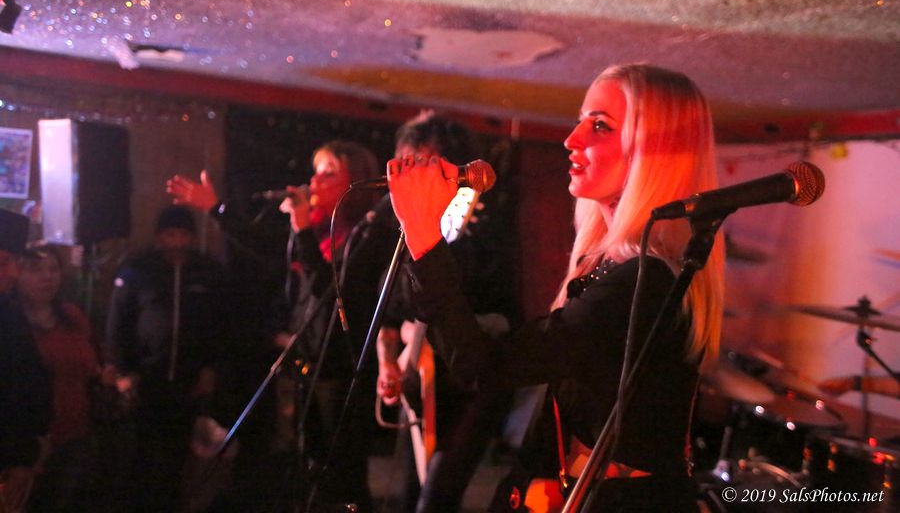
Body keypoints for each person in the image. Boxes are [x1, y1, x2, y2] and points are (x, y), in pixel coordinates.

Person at [386, 64, 725, 512]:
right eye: (581, 120)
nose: (571, 139)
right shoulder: (606, 265)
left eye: (600, 126)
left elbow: (486, 367)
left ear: (654, 151)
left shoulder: (644, 283)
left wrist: (424, 237)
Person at [169, 140, 388, 512]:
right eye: (315, 171)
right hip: (307, 362)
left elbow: (329, 291)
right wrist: (216, 209)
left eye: (329, 173)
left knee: (342, 472)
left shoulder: (363, 237)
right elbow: (263, 245)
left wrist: (301, 230)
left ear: (356, 182)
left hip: (341, 368)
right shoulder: (315, 229)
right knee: (306, 463)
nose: (315, 181)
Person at [376, 111, 517, 513]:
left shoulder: (482, 232)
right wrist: (388, 364)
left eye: (423, 162)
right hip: (420, 384)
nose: (413, 173)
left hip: (472, 386)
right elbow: (389, 315)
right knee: (408, 494)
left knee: (436, 498)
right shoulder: (397, 231)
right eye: (407, 162)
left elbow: (504, 315)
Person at [107, 205, 228, 512]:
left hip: (189, 382)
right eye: (170, 235)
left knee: (179, 455)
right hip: (145, 380)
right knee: (142, 454)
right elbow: (118, 323)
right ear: (159, 237)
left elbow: (219, 324)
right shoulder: (137, 270)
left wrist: (210, 369)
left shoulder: (208, 272)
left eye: (183, 235)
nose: (176, 242)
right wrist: (124, 371)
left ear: (192, 237)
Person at [15, 245, 101, 512]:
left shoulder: (72, 316)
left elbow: (91, 365)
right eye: (36, 270)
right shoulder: (11, 323)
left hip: (75, 433)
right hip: (27, 442)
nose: (47, 277)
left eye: (53, 269)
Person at [0, 210, 52, 513]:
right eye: (3, 262)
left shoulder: (8, 308)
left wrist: (30, 453)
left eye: (16, 263)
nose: (13, 273)